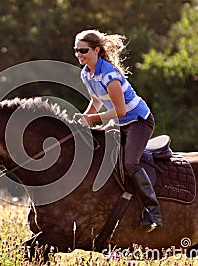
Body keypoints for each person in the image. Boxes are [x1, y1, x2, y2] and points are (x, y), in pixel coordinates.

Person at [73, 29, 163, 232]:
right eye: (76, 50)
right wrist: (84, 118)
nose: (79, 54)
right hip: (118, 122)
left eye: (83, 50)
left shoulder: (110, 76)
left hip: (138, 121)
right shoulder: (86, 73)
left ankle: (153, 212)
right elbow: (96, 101)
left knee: (130, 163)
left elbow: (121, 110)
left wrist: (94, 119)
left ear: (96, 50)